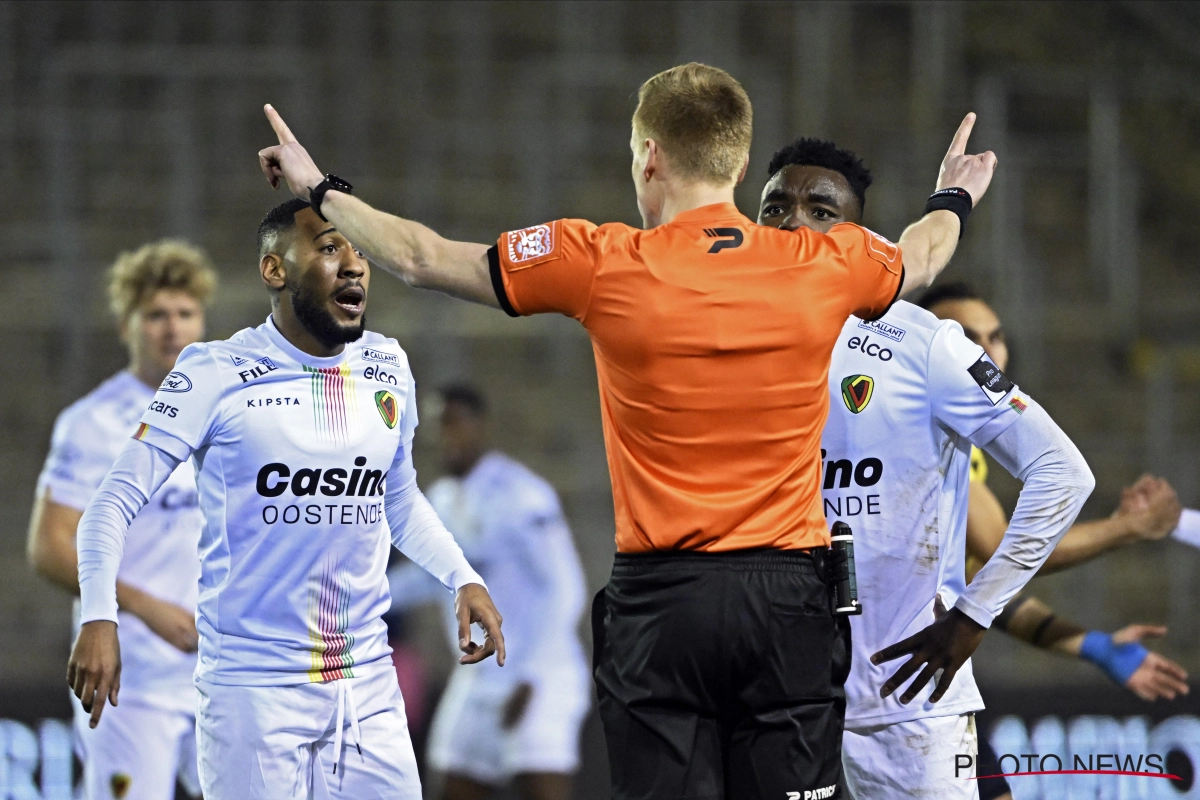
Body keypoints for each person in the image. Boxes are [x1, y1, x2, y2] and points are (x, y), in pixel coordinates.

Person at [256, 61, 997, 798]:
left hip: (663, 606)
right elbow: (926, 253)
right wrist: (954, 194)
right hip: (789, 603)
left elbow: (421, 258)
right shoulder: (826, 261)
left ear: (649, 156)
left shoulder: (602, 259)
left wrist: (320, 190)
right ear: (740, 162)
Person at [757, 138, 1185, 799]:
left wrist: (973, 616)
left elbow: (1059, 475)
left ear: (857, 237)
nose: (791, 223)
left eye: (819, 209)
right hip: (776, 700)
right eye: (774, 207)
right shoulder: (725, 337)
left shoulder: (914, 342)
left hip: (905, 707)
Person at [66, 199, 506, 800]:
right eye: (330, 247)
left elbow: (395, 497)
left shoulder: (387, 365)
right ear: (276, 270)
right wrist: (98, 615)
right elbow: (110, 504)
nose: (354, 264)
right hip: (253, 690)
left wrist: (462, 578)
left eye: (358, 247)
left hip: (367, 683)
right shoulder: (214, 372)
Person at [918, 282, 1192, 800]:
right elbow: (1004, 546)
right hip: (884, 684)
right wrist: (1126, 527)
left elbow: (982, 583)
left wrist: (1092, 645)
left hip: (928, 679)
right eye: (966, 337)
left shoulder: (959, 441)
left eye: (996, 337)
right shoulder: (924, 434)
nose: (987, 352)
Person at [27, 241, 215, 800]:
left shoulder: (226, 413)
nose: (172, 329)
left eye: (185, 314)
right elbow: (49, 546)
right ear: (125, 325)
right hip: (132, 679)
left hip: (220, 672)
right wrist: (145, 608)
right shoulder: (93, 422)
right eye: (156, 315)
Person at [387, 383, 590, 800]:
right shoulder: (442, 499)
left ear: (479, 426)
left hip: (540, 674)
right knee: (454, 784)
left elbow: (565, 587)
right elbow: (430, 578)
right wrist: (351, 598)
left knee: (541, 788)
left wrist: (531, 675)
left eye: (455, 422)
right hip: (479, 677)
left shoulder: (521, 494)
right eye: (439, 425)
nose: (446, 435)